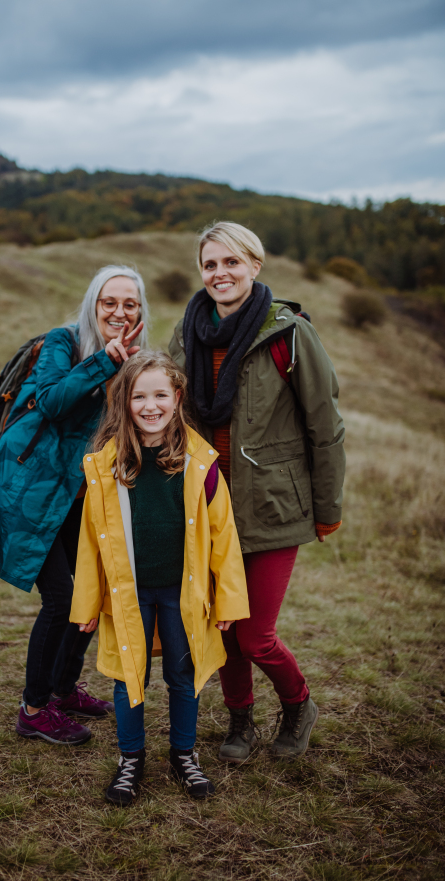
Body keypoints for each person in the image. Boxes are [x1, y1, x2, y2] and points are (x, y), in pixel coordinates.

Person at [169, 221, 345, 762]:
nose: (220, 274)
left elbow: (325, 425)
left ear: (254, 265)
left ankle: (298, 705)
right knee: (222, 631)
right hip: (208, 507)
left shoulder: (289, 333)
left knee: (255, 635)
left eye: (231, 263)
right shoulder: (186, 334)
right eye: (210, 265)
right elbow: (164, 410)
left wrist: (327, 507)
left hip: (273, 506)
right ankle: (240, 722)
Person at [0, 265, 149, 746]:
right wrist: (104, 362)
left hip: (77, 489)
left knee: (90, 588)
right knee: (61, 598)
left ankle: (64, 690)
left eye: (130, 303)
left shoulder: (132, 358)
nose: (119, 311)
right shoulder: (63, 343)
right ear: (93, 303)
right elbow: (48, 401)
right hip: (29, 483)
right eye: (109, 301)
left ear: (140, 311)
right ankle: (33, 708)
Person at [71, 351, 249, 805]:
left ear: (177, 397)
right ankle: (130, 758)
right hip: (127, 594)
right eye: (138, 396)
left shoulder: (201, 464)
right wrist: (87, 605)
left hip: (182, 592)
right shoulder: (106, 466)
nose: (150, 406)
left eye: (160, 395)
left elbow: (224, 536)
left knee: (182, 673)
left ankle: (183, 754)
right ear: (123, 402)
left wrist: (227, 602)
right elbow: (90, 542)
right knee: (128, 675)